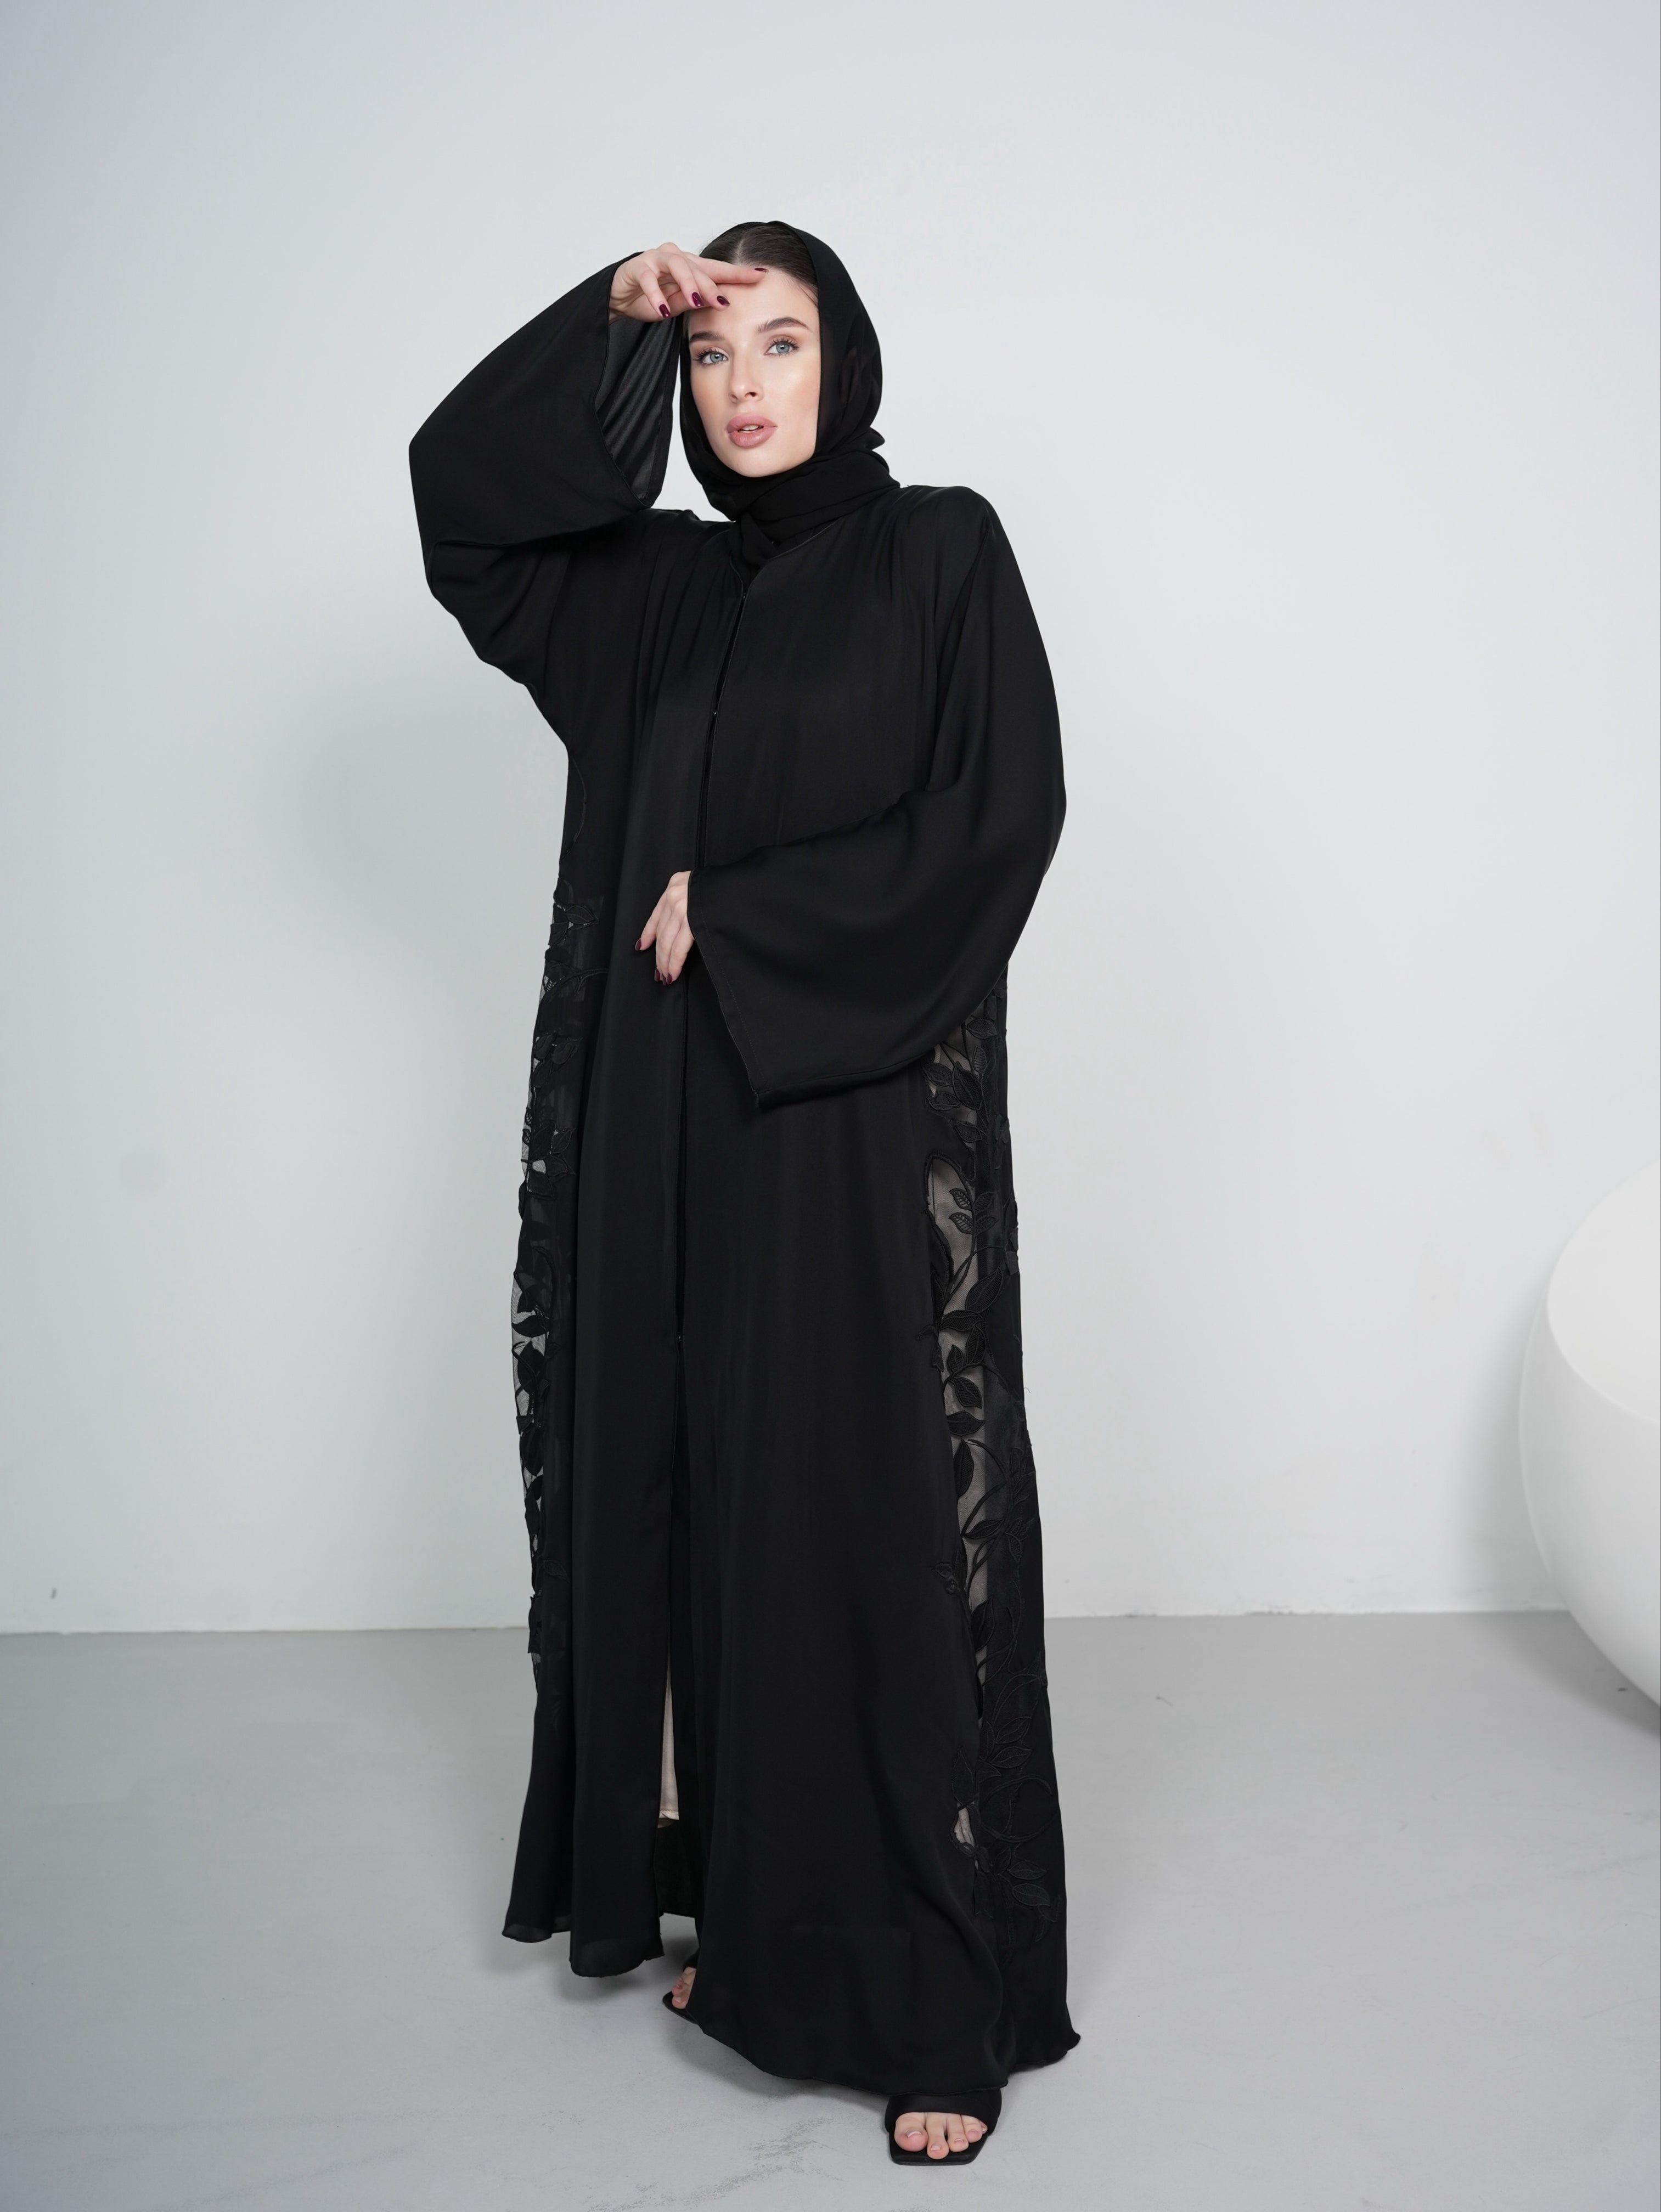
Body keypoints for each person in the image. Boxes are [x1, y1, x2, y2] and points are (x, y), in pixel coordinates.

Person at [408, 219, 1078, 2166]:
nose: (747, 385)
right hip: (661, 1126)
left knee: (859, 1522)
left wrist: (755, 913)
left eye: (780, 344)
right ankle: (755, 1933)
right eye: (714, 358)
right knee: (696, 1509)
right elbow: (465, 515)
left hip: (845, 1118)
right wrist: (606, 323)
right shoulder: (651, 592)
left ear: (841, 360)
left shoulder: (939, 552)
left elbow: (998, 814)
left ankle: (933, 2002)